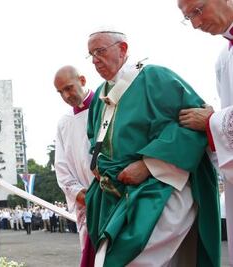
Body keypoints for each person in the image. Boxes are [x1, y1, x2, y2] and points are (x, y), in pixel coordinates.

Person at [85, 29, 220, 266]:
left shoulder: (156, 78)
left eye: (100, 51)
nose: (95, 60)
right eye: (91, 54)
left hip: (157, 188)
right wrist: (95, 161)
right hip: (112, 194)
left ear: (123, 49)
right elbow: (94, 138)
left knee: (126, 259)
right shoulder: (100, 94)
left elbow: (195, 123)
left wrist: (149, 165)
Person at [177, 0, 233, 264]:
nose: (196, 24)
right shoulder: (224, 57)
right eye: (188, 18)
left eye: (198, 10)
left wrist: (212, 121)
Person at [53, 66, 94, 251]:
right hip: (85, 200)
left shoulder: (108, 106)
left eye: (69, 88)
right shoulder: (64, 123)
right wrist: (78, 193)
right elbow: (61, 166)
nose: (66, 96)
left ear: (82, 80)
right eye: (60, 92)